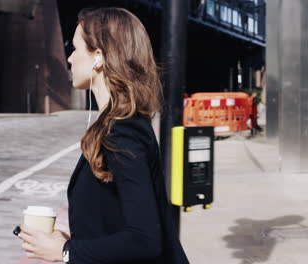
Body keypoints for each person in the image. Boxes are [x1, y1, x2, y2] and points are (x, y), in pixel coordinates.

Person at [17, 7, 189, 264]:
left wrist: (66, 252)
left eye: (75, 48)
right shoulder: (120, 124)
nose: (70, 59)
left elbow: (144, 240)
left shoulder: (124, 132)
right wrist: (70, 241)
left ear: (98, 57)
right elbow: (116, 218)